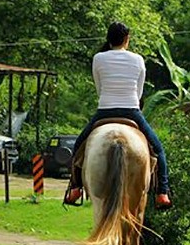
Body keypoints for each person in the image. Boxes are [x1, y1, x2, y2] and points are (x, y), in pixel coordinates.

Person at [64, 22, 171, 209]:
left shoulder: (98, 58)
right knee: (159, 149)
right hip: (131, 110)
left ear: (109, 39)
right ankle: (162, 192)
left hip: (104, 111)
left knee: (78, 146)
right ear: (127, 39)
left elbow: (99, 88)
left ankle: (75, 188)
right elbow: (138, 92)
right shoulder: (138, 60)